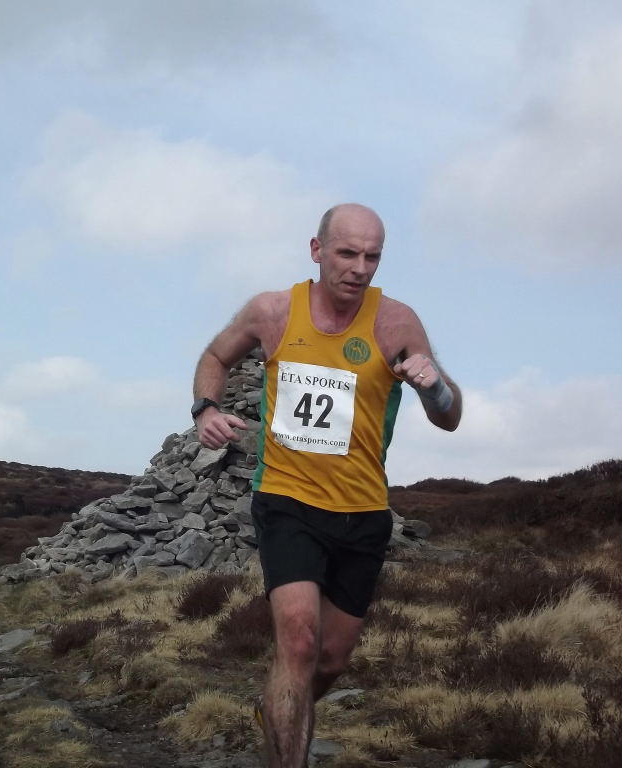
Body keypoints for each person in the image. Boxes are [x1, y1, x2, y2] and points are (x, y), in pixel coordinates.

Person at [192, 203, 462, 767]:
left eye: (372, 257)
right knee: (298, 639)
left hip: (363, 511)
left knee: (331, 661)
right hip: (287, 499)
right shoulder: (272, 312)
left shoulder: (396, 322)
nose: (360, 268)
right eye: (347, 253)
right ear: (317, 250)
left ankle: (279, 711)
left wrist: (435, 388)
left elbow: (449, 415)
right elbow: (216, 355)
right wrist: (205, 409)